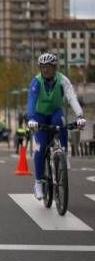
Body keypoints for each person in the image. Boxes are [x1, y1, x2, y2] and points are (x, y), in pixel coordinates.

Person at [27, 53, 86, 200]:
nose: (45, 70)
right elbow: (31, 102)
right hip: (39, 116)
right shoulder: (36, 81)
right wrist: (31, 119)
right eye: (42, 67)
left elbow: (71, 97)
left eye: (48, 67)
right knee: (40, 148)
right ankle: (38, 183)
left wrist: (80, 115)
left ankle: (64, 155)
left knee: (62, 123)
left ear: (55, 67)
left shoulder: (62, 80)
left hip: (54, 112)